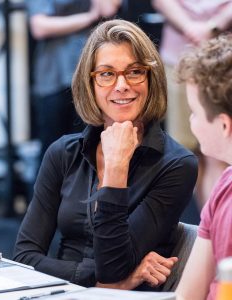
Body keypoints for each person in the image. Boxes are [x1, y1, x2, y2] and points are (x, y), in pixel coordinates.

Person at [13, 19, 197, 290]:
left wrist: (116, 167)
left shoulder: (177, 165)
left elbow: (112, 266)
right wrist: (109, 282)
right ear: (90, 84)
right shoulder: (63, 153)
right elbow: (24, 259)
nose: (121, 85)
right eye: (107, 74)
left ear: (151, 78)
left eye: (134, 71)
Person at [152, 0, 232, 210]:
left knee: (219, 155)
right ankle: (210, 220)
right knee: (190, 152)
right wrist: (189, 27)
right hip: (176, 57)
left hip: (225, 60)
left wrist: (213, 26)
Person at [175, 33, 232, 300]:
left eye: (195, 112)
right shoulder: (224, 184)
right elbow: (188, 294)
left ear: (223, 125)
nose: (192, 121)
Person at [27, 0, 122, 157]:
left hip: (93, 73)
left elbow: (108, 9)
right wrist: (89, 17)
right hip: (54, 74)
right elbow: (40, 27)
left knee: (90, 146)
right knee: (53, 148)